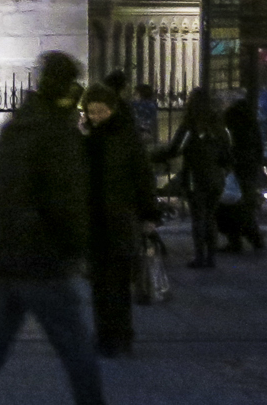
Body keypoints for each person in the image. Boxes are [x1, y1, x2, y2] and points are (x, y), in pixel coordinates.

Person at [0, 51, 105, 405]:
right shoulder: (58, 132)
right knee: (76, 347)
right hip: (44, 262)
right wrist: (77, 247)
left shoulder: (16, 126)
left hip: (7, 258)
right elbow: (66, 200)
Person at [81, 84, 157, 357]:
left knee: (119, 283)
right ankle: (105, 335)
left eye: (100, 111)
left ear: (112, 109)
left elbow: (143, 177)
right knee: (100, 283)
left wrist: (148, 214)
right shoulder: (88, 139)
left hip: (121, 218)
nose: (96, 116)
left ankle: (121, 335)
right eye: (91, 112)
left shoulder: (127, 137)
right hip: (95, 219)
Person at [158, 87, 230, 269]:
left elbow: (174, 150)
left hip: (195, 177)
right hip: (216, 177)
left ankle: (200, 256)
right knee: (211, 216)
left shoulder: (190, 126)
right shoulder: (219, 127)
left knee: (198, 216)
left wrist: (154, 157)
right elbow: (227, 155)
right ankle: (211, 257)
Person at [221, 92, 266, 254]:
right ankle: (254, 237)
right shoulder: (250, 118)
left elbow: (227, 142)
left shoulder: (229, 117)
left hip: (236, 165)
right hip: (250, 165)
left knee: (231, 204)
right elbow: (259, 144)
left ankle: (238, 239)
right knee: (245, 203)